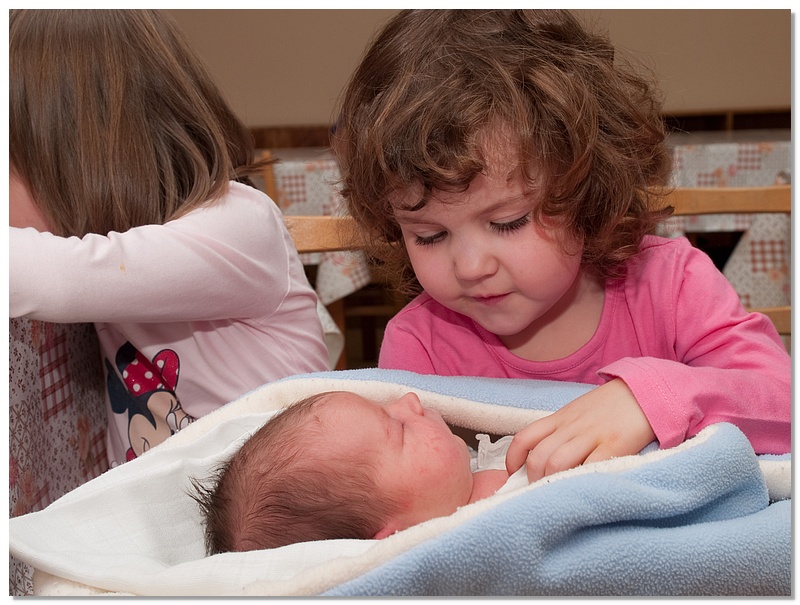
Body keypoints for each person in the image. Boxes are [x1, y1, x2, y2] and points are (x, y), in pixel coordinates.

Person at [330, 10, 791, 483]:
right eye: (429, 235)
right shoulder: (419, 346)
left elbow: (782, 399)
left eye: (507, 222)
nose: (469, 267)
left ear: (586, 191)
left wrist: (650, 398)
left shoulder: (671, 284)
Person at [8, 9, 331, 467]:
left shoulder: (238, 223)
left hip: (287, 494)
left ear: (76, 161)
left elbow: (51, 277)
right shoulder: (117, 248)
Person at [191, 390, 514, 553]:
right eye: (400, 429)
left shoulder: (465, 482)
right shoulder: (489, 525)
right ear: (396, 538)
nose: (410, 400)